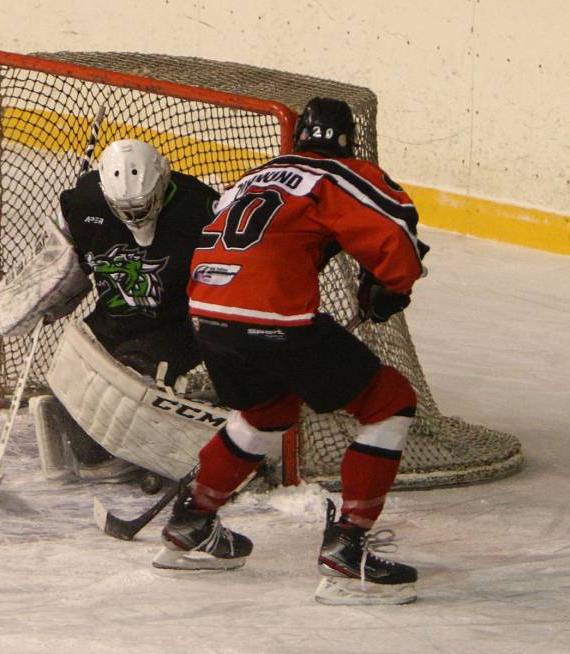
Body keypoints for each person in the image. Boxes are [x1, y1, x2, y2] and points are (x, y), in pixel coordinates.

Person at [152, 98, 429, 606]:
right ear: (349, 141)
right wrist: (392, 285)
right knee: (390, 402)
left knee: (265, 410)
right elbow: (395, 230)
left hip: (208, 312)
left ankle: (192, 523)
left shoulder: (257, 175)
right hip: (273, 316)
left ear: (298, 136)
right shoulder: (337, 172)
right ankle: (347, 553)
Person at [34, 139, 220, 481]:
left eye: (144, 204)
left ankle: (136, 445)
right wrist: (53, 281)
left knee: (132, 375)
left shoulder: (201, 208)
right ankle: (101, 448)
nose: (135, 215)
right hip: (112, 320)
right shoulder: (82, 204)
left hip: (174, 326)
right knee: (75, 378)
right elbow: (63, 258)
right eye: (124, 207)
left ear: (163, 180)